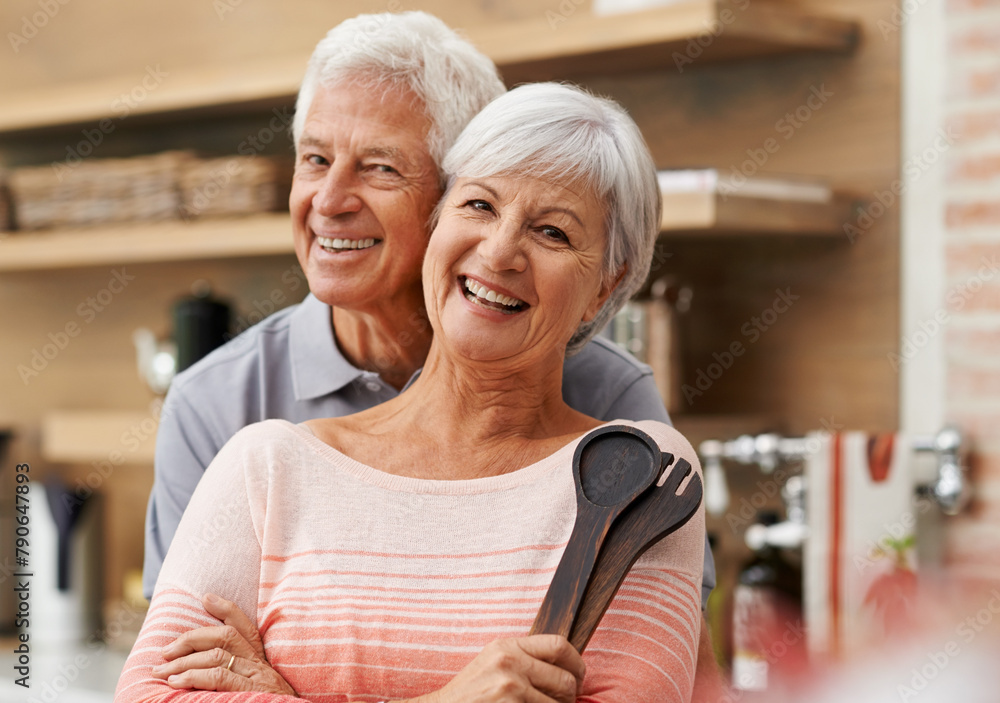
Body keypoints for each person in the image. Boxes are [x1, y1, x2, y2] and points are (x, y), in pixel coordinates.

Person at [142, 8, 720, 693]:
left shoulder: (620, 431)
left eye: (380, 167)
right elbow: (176, 678)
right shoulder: (242, 433)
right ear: (451, 211)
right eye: (316, 160)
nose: (329, 200)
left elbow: (688, 670)